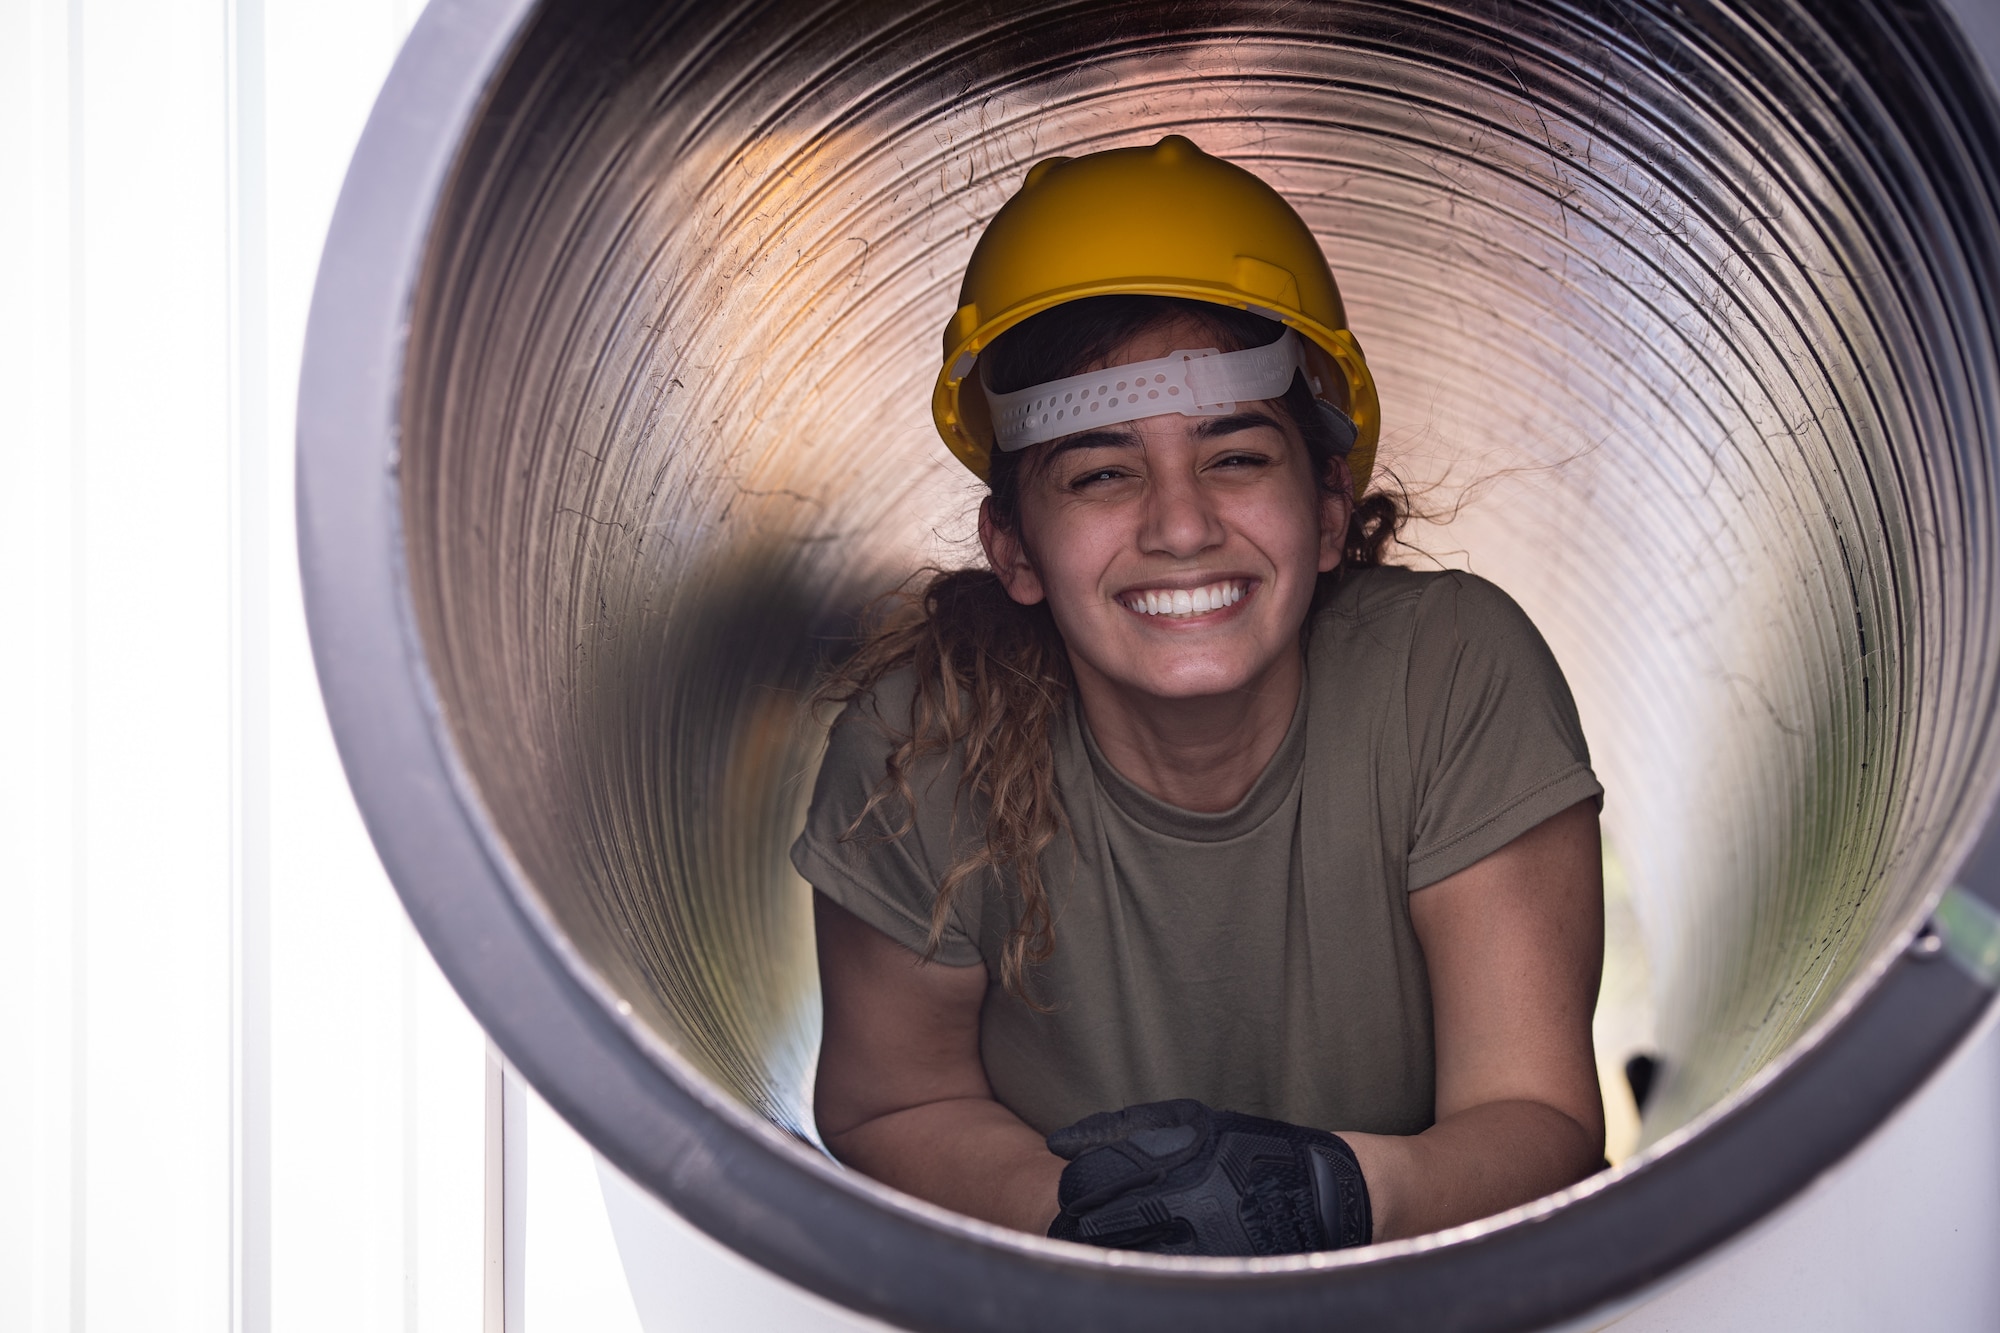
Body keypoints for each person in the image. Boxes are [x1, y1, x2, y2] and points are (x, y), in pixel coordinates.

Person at [791, 136, 1605, 1256]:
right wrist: (1115, 1230)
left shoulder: (1446, 674)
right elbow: (892, 1102)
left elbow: (1539, 1118)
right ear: (1015, 548)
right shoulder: (920, 748)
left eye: (1233, 457)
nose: (1180, 526)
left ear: (1325, 510)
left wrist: (1328, 1198)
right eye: (1100, 473)